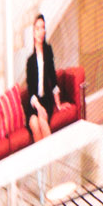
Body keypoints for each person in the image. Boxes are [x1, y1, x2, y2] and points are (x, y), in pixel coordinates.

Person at [21, 11, 67, 146]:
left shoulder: (48, 52)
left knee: (42, 120)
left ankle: (51, 160)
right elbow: (30, 92)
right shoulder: (30, 61)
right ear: (33, 33)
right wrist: (38, 107)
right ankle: (42, 164)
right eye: (38, 28)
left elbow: (53, 80)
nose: (41, 31)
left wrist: (58, 104)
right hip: (34, 103)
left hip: (46, 101)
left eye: (43, 28)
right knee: (34, 123)